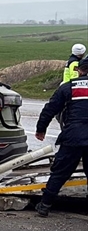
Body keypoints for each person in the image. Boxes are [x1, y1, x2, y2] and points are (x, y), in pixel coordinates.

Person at [33, 57, 88, 217]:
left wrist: (41, 129)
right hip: (76, 134)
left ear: (80, 70)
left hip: (73, 136)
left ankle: (44, 205)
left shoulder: (68, 87)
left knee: (60, 172)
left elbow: (50, 109)